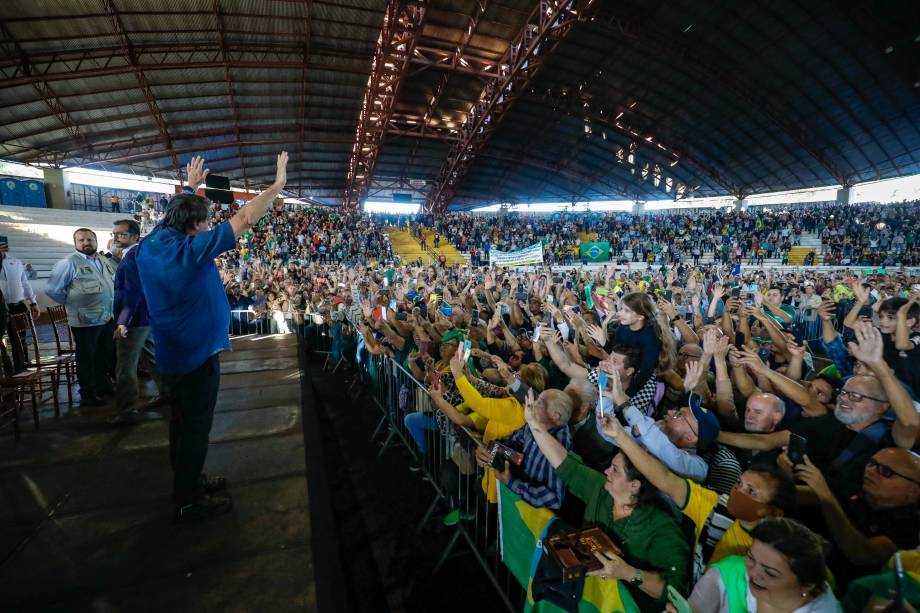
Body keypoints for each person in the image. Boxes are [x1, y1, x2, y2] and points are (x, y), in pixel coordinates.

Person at [136, 153, 288, 521]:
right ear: (192, 228)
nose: (208, 229)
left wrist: (189, 187)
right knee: (194, 430)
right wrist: (276, 186)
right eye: (204, 224)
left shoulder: (152, 243)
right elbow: (246, 217)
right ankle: (189, 498)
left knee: (181, 426)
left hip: (172, 356)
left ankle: (190, 480)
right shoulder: (190, 251)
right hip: (195, 358)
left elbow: (170, 216)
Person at [523, 392, 691, 610]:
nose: (606, 471)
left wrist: (628, 573)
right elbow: (566, 464)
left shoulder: (660, 525)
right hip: (583, 599)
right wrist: (535, 426)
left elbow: (672, 588)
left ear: (635, 485)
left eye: (615, 470)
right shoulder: (601, 489)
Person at [684, 518, 840, 612]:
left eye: (770, 573)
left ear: (806, 585)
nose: (752, 574)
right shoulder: (726, 576)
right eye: (751, 558)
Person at [45, 228, 117, 407]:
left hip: (107, 317)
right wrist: (72, 302)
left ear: (96, 240)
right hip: (85, 320)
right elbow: (52, 289)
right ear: (75, 243)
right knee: (87, 358)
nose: (86, 243)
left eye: (89, 239)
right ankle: (88, 394)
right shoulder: (69, 263)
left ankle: (103, 386)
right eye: (81, 240)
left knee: (105, 355)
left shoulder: (102, 260)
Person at [110, 219, 163, 425]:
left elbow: (133, 291)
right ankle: (168, 391)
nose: (116, 238)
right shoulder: (135, 254)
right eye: (114, 234)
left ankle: (126, 410)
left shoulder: (132, 256)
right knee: (151, 357)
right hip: (144, 316)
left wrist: (123, 321)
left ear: (135, 236)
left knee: (125, 365)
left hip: (134, 319)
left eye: (121, 234)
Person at [0, 236, 40, 372]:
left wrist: (33, 302)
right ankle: (7, 371)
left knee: (20, 339)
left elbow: (24, 283)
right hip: (1, 308)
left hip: (17, 305)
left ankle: (22, 367)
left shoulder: (15, 262)